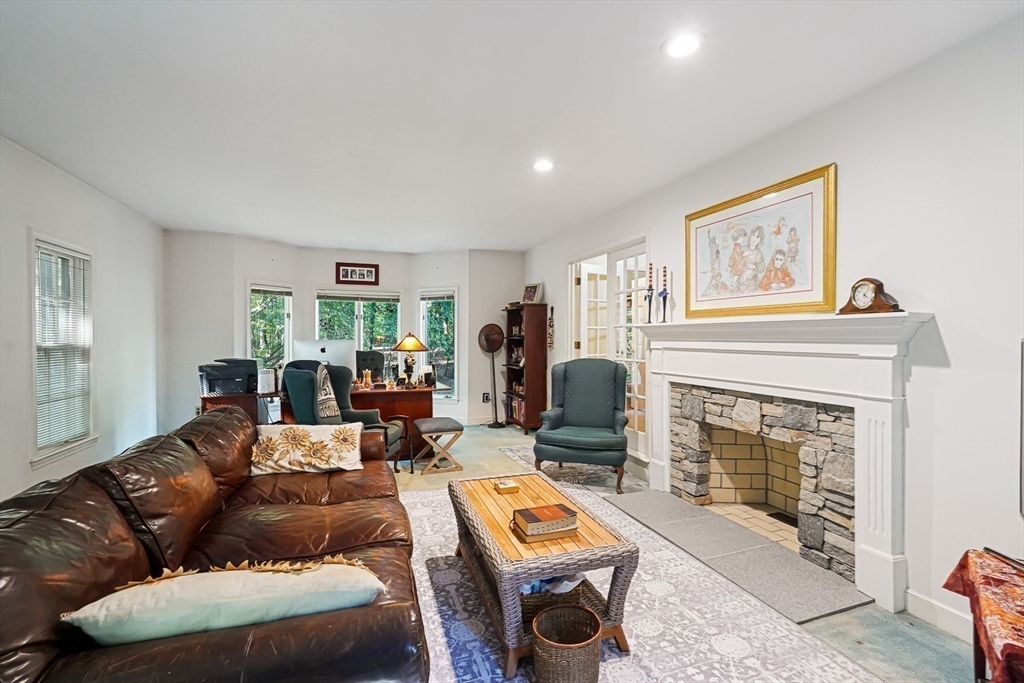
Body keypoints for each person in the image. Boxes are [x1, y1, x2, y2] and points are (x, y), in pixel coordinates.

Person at [737, 226, 766, 292]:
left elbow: (761, 269)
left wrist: (754, 266)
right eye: (753, 235)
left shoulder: (758, 254)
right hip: (740, 281)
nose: (754, 239)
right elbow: (736, 262)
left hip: (751, 283)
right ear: (750, 236)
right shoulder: (743, 249)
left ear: (760, 240)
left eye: (757, 237)